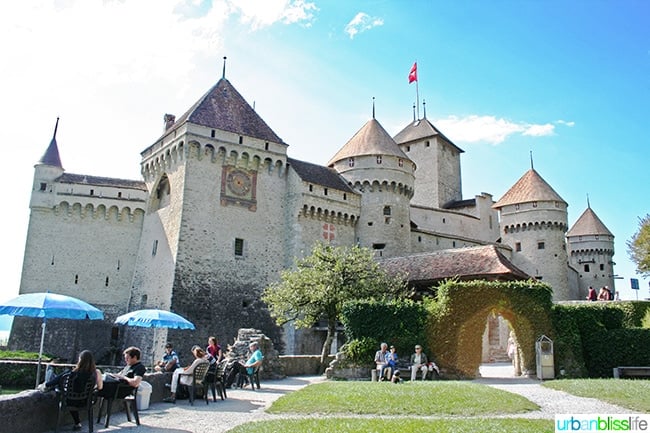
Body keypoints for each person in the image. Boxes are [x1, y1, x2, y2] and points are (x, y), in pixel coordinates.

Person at [39, 350, 103, 431]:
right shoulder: (96, 373)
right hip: (86, 401)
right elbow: (100, 387)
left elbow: (57, 382)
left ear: (80, 360)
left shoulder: (72, 372)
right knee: (59, 383)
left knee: (52, 376)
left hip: (70, 401)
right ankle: (77, 423)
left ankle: (46, 379)